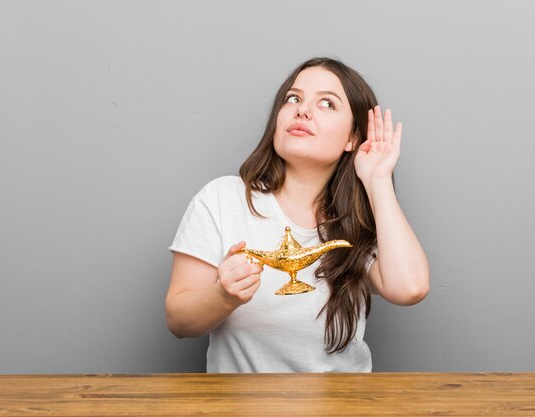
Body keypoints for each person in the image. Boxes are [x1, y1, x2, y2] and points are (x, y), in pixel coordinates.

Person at [166, 57, 430, 372]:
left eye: (327, 104)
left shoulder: (359, 221)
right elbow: (179, 321)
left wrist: (377, 180)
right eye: (294, 98)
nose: (302, 110)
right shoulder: (222, 199)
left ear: (352, 139)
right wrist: (224, 295)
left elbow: (410, 288)